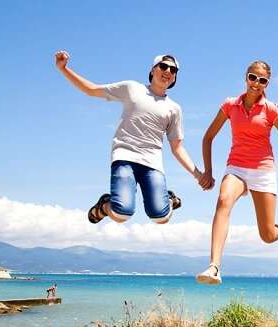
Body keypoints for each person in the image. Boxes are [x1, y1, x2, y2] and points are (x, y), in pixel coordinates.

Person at [195, 61, 278, 285]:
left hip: (263, 170)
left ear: (267, 83)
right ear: (245, 77)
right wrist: (208, 171)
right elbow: (208, 137)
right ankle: (214, 267)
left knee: (267, 235)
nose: (256, 83)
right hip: (236, 166)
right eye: (252, 77)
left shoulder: (271, 110)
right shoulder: (230, 105)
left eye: (262, 80)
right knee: (223, 200)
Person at [55, 51, 204, 224]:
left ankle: (168, 199)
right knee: (121, 213)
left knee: (161, 217)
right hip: (125, 156)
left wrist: (199, 175)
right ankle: (104, 205)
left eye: (173, 70)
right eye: (163, 66)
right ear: (153, 70)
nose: (168, 71)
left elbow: (177, 148)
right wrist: (63, 69)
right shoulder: (132, 88)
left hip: (152, 164)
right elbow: (91, 90)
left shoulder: (174, 109)